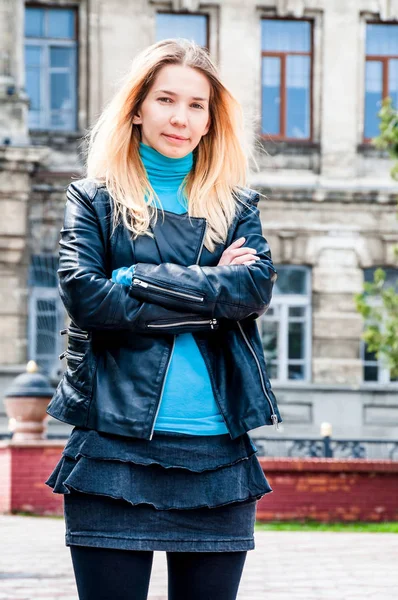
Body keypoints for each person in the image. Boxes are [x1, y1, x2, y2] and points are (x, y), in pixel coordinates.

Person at [45, 38, 282, 600]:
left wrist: (133, 279)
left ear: (209, 121)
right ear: (137, 108)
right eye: (166, 100)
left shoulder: (237, 206)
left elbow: (252, 290)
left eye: (196, 105)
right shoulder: (93, 200)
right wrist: (209, 290)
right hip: (112, 446)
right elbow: (88, 298)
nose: (180, 117)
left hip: (217, 453)